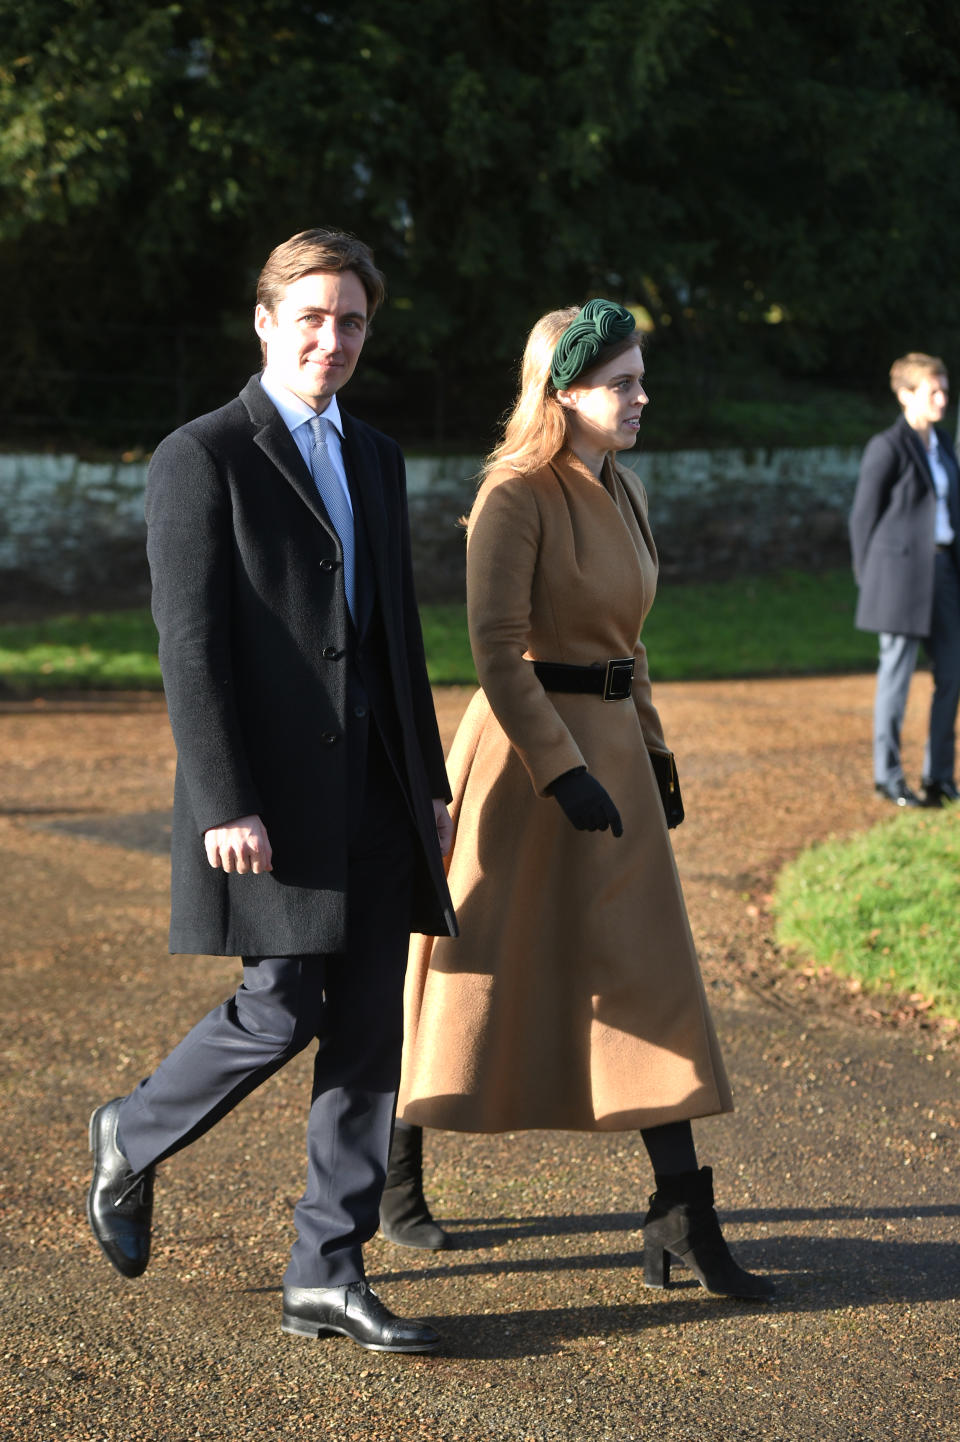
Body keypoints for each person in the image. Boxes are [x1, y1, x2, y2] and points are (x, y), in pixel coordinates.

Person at [86, 227, 457, 1355]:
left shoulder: (380, 458)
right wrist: (222, 800)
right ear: (264, 321)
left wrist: (432, 782)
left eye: (351, 321)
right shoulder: (202, 455)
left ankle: (325, 1269)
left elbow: (398, 643)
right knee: (283, 1004)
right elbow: (188, 648)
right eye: (311, 316)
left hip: (380, 791)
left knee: (367, 1032)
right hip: (272, 799)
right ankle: (128, 1131)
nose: (332, 339)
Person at [383, 300, 774, 1300]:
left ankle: (680, 1215)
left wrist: (653, 748)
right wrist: (564, 769)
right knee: (471, 965)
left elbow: (627, 642)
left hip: (615, 755)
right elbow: (496, 652)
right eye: (622, 383)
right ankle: (394, 1177)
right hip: (523, 763)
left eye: (642, 378)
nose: (642, 397)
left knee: (648, 971)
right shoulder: (515, 494)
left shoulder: (624, 486)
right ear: (561, 390)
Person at [850, 352, 960, 807]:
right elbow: (862, 518)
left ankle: (939, 778)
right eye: (933, 390)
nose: (942, 397)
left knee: (952, 672)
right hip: (896, 580)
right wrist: (870, 581)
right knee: (896, 678)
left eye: (944, 388)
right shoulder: (887, 446)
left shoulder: (944, 444)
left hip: (944, 572)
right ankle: (889, 778)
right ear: (905, 395)